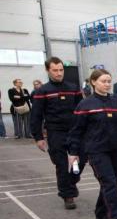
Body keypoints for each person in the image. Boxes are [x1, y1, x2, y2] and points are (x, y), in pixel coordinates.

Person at [67, 69, 117, 219]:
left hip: (116, 149)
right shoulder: (85, 104)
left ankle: (101, 212)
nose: (107, 84)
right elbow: (76, 130)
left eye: (109, 81)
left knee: (110, 183)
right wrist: (73, 153)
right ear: (93, 82)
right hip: (96, 151)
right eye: (103, 81)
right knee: (109, 182)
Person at [30, 56, 86, 210]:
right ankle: (68, 195)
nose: (59, 73)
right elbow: (36, 116)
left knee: (79, 163)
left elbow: (82, 110)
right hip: (55, 133)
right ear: (48, 71)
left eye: (61, 70)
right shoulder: (42, 91)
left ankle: (71, 182)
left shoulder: (73, 88)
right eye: (55, 70)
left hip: (74, 132)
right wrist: (38, 137)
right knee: (62, 165)